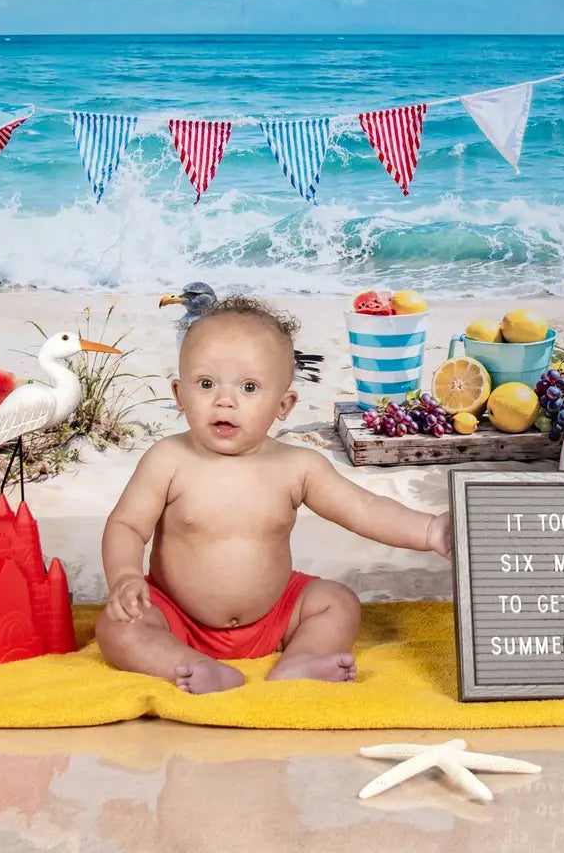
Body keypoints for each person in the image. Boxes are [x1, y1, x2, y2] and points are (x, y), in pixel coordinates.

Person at [96, 296, 452, 695]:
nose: (224, 400)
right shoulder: (168, 459)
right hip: (178, 618)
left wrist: (430, 531)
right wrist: (125, 577)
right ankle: (186, 663)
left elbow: (364, 508)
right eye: (206, 384)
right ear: (180, 395)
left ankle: (301, 658)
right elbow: (126, 524)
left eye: (249, 387)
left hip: (276, 615)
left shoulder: (297, 466)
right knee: (118, 627)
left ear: (284, 405)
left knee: (337, 601)